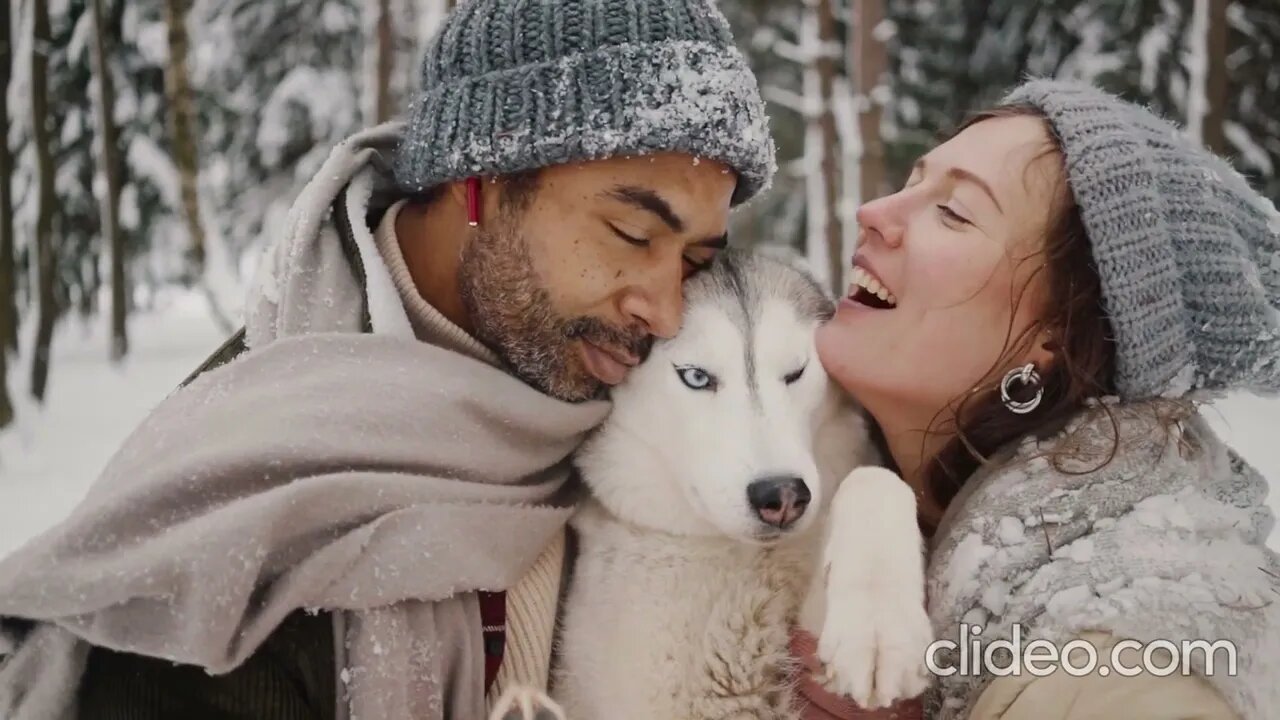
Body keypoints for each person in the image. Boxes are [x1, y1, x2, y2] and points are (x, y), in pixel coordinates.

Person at [0, 2, 774, 719]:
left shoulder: (661, 408)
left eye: (696, 259)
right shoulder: (242, 521)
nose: (666, 310)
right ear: (481, 180)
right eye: (632, 235)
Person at [806, 79, 1280, 720]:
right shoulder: (823, 485)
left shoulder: (1113, 640)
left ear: (1054, 338)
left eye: (953, 211)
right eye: (912, 181)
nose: (874, 212)